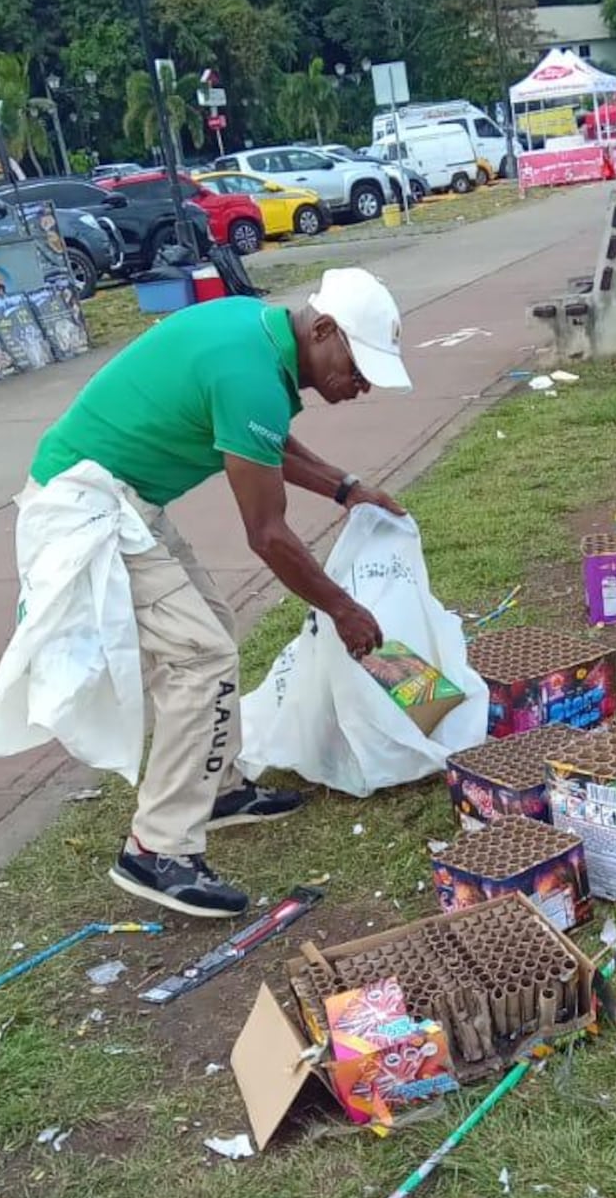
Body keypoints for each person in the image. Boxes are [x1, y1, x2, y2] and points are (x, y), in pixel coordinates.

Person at [24, 267, 412, 919]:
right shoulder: (249, 371)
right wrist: (342, 608)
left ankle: (221, 787)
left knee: (212, 623)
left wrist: (346, 488)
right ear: (321, 330)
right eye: (358, 363)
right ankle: (155, 848)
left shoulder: (259, 341)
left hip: (125, 498)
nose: (363, 383)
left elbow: (261, 441)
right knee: (198, 656)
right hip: (84, 505)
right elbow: (267, 534)